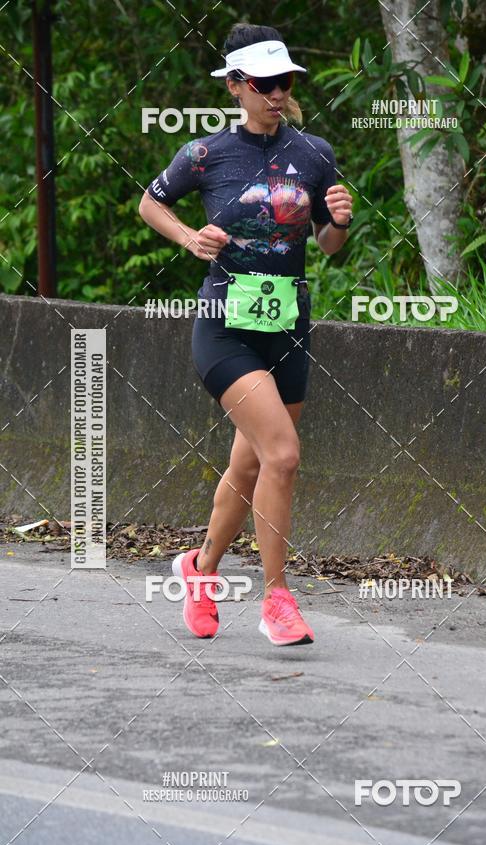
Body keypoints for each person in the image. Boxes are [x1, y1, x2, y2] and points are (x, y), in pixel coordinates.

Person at [139, 23, 352, 646]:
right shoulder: (206, 154)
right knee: (283, 454)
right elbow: (150, 203)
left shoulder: (313, 154)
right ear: (235, 86)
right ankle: (276, 599)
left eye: (284, 81)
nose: (276, 93)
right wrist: (189, 237)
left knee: (253, 461)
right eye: (263, 84)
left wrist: (338, 220)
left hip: (288, 328)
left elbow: (328, 245)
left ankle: (200, 571)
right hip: (223, 329)